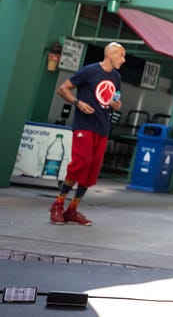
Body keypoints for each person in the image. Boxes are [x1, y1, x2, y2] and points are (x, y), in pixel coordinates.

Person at [49, 42, 125, 226]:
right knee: (80, 163)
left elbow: (117, 101)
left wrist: (117, 105)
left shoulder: (116, 77)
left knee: (91, 170)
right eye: (121, 55)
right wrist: (78, 103)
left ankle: (72, 210)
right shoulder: (89, 71)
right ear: (111, 54)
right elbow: (63, 89)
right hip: (84, 125)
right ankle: (58, 205)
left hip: (103, 127)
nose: (123, 60)